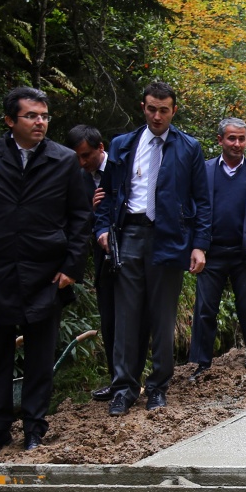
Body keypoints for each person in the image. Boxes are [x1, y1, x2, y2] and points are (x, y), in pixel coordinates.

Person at [0, 87, 90, 457]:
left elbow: (80, 217)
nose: (40, 122)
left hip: (46, 273)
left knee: (40, 358)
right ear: (10, 120)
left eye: (44, 116)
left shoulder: (63, 160)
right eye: (31, 116)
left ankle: (34, 428)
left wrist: (71, 266)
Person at [93, 81, 211, 414]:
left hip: (170, 239)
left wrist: (199, 245)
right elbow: (108, 194)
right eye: (151, 108)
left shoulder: (189, 148)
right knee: (126, 316)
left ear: (174, 110)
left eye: (163, 110)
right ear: (142, 107)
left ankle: (158, 386)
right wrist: (102, 228)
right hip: (129, 234)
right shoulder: (122, 145)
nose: (157, 116)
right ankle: (124, 388)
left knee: (162, 316)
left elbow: (202, 201)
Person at [188, 119, 246, 379]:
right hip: (211, 252)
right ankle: (201, 364)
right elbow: (193, 212)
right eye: (231, 138)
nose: (237, 144)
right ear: (220, 140)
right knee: (205, 310)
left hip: (245, 254)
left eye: (242, 139)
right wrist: (196, 246)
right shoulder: (203, 171)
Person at [69, 124, 118, 401]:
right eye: (77, 156)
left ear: (101, 148)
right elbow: (71, 217)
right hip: (103, 260)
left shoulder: (122, 165)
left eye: (86, 155)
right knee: (109, 320)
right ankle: (116, 380)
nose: (82, 162)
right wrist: (92, 209)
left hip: (135, 254)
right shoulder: (78, 176)